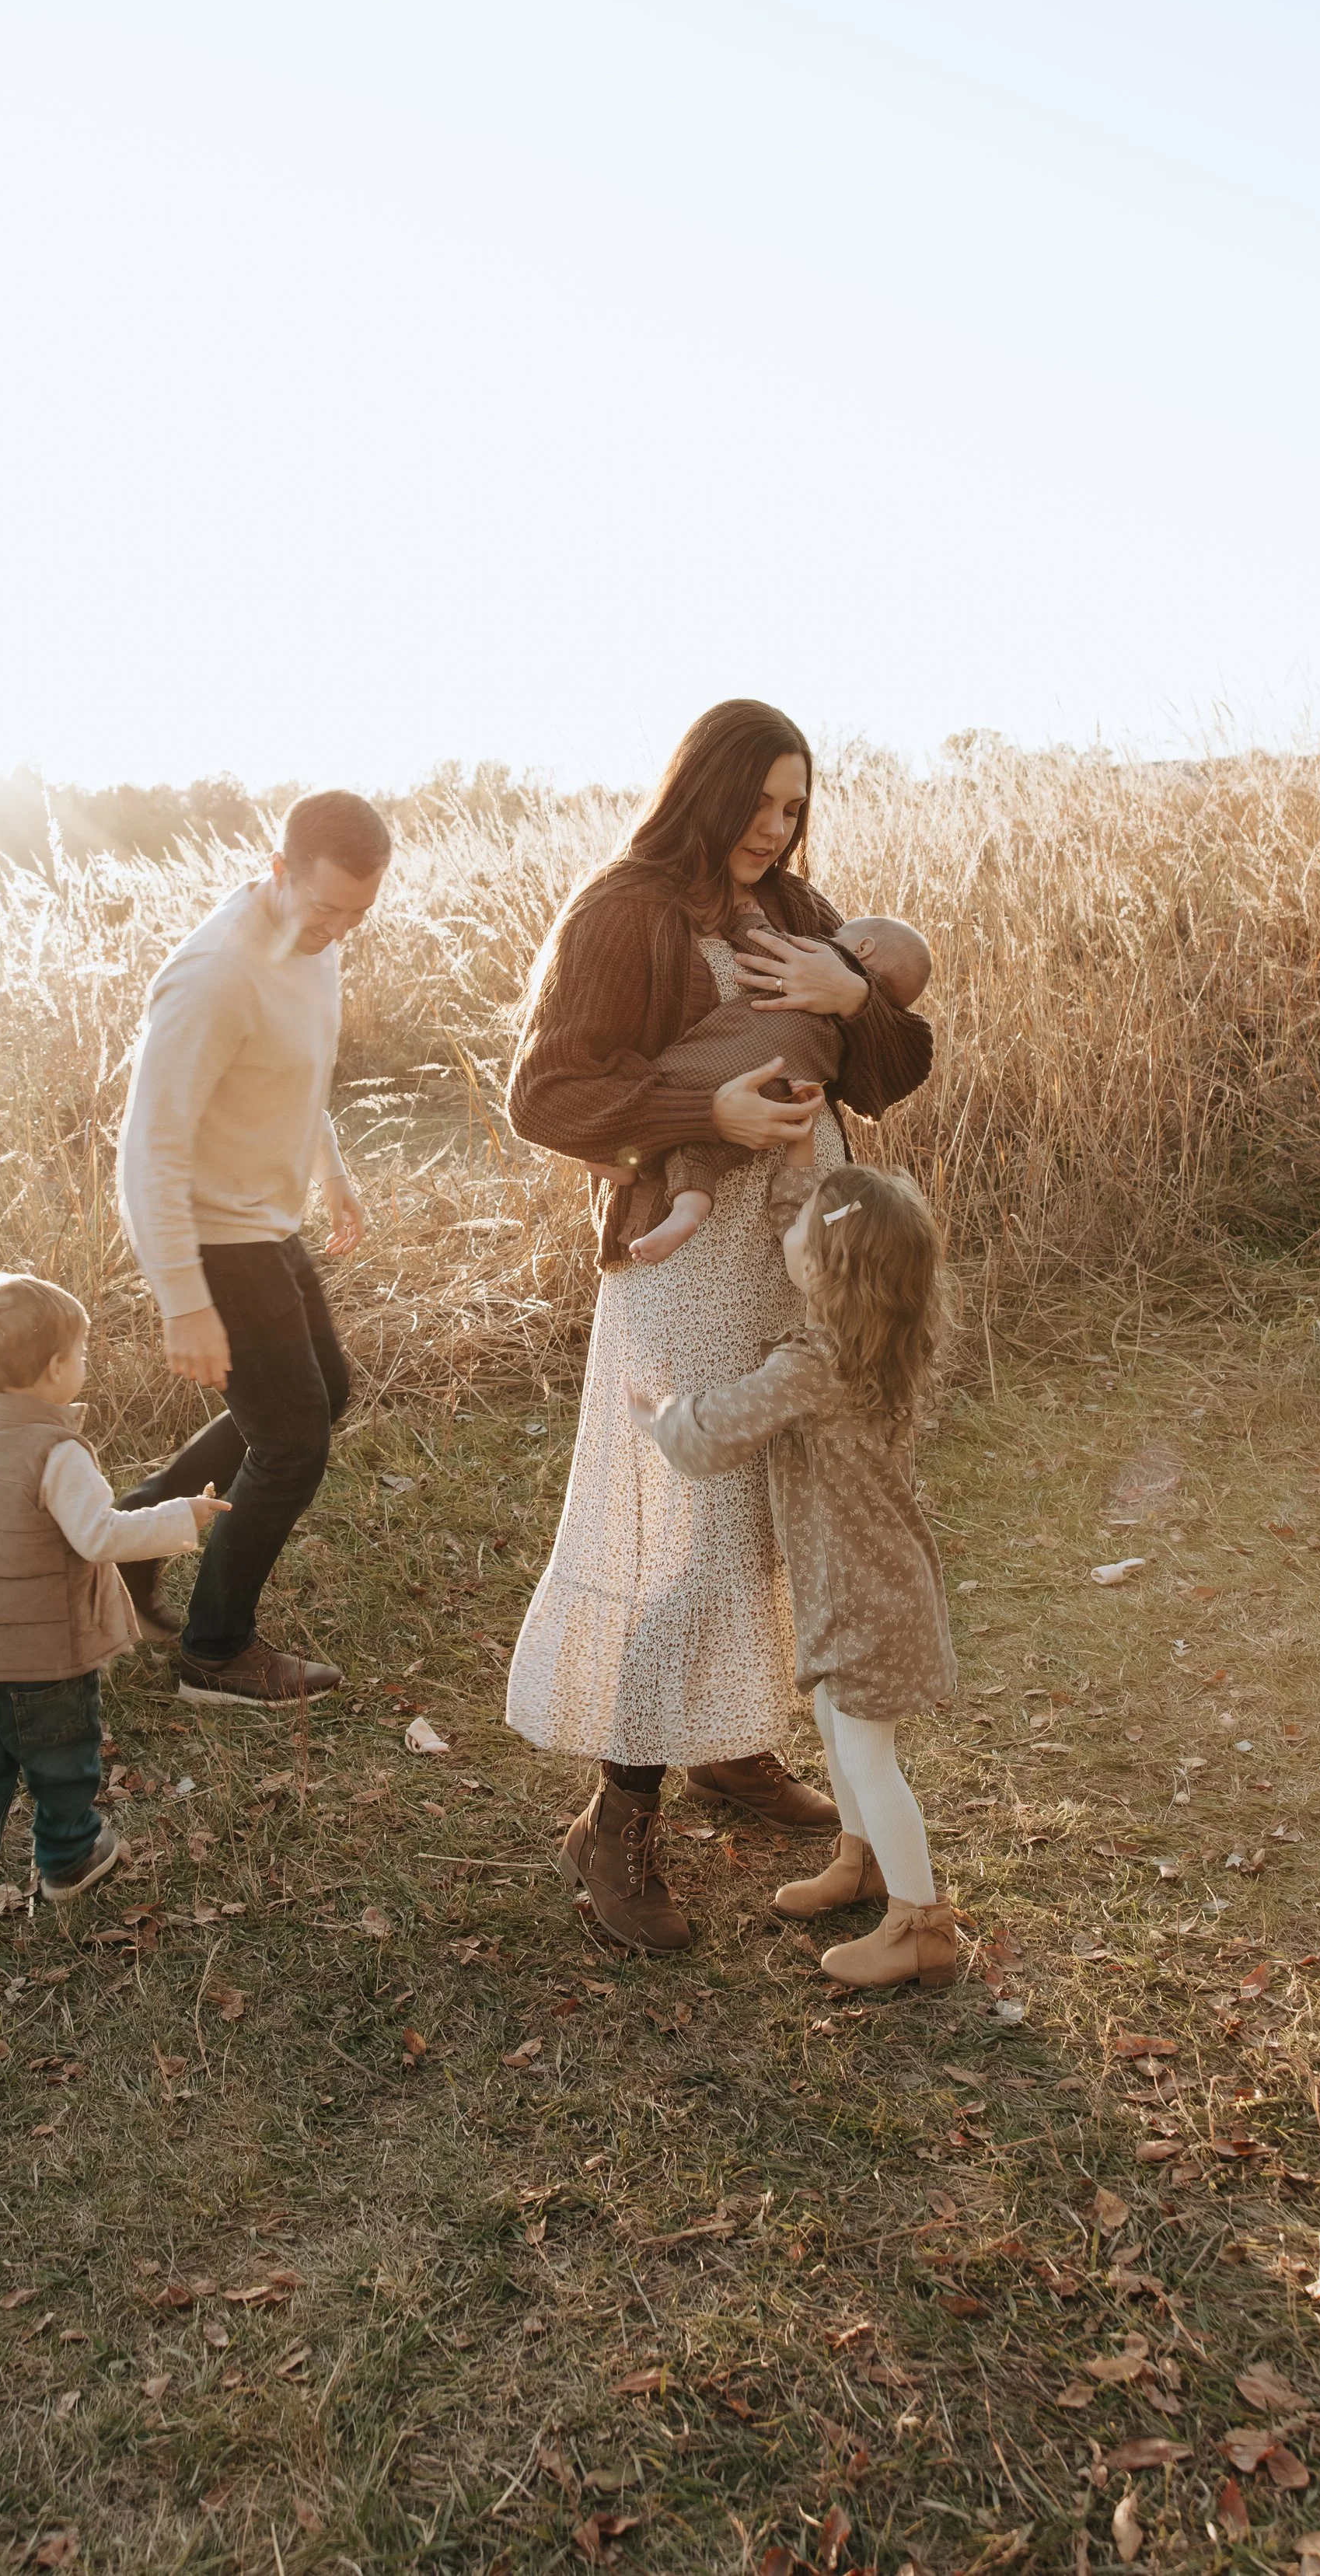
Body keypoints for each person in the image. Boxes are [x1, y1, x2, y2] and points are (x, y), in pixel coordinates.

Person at [503, 698, 934, 1953]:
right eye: (759, 802)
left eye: (796, 807)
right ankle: (615, 1818)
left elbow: (891, 1072)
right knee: (687, 1504)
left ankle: (728, 1742)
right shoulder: (624, 910)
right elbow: (547, 1093)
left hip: (801, 1236)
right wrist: (709, 1116)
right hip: (688, 1251)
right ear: (705, 786)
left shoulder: (796, 908)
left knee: (771, 1500)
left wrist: (851, 993)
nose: (777, 828)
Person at [631, 1161, 960, 1990]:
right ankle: (862, 1861)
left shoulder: (815, 1363)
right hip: (872, 1584)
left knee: (869, 1755)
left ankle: (921, 1927)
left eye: (799, 1229)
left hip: (863, 1597)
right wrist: (793, 1160)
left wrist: (658, 1415)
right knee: (835, 1727)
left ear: (821, 1266)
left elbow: (715, 1434)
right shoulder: (879, 1339)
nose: (786, 1230)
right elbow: (814, 1215)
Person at [114, 789, 389, 1705]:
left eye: (358, 913)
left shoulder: (315, 941)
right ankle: (216, 1651)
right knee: (291, 1442)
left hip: (265, 1222)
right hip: (212, 1236)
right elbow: (148, 1149)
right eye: (326, 908)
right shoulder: (212, 977)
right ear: (277, 871)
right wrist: (182, 1299)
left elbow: (295, 1073)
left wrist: (330, 1170)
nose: (338, 930)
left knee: (323, 1394)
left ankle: (127, 1540)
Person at [0, 1272, 225, 1953]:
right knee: (61, 1761)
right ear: (56, 1368)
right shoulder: (56, 1452)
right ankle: (68, 1857)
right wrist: (183, 1516)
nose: (84, 1365)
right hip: (43, 1657)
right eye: (81, 1354)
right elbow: (99, 1535)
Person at [633, 915, 932, 1265]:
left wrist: (745, 919)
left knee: (651, 1081)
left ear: (863, 947)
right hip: (781, 1093)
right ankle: (689, 1207)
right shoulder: (869, 1019)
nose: (828, 934)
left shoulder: (829, 956)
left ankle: (629, 1161)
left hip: (726, 1058)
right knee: (702, 1152)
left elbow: (767, 947)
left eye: (838, 933)